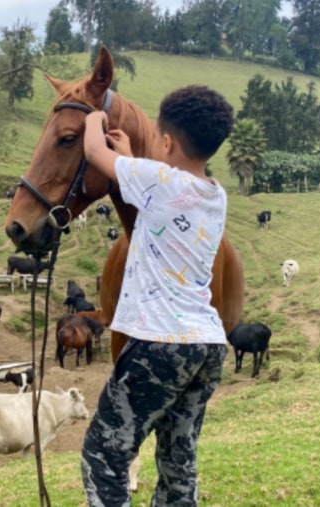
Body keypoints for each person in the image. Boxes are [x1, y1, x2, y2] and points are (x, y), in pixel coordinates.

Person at [79, 85, 235, 506]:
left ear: (166, 141)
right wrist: (130, 155)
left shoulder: (156, 180)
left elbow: (94, 151)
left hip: (159, 345)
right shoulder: (215, 195)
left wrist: (93, 116)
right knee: (178, 461)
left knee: (103, 455)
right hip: (207, 345)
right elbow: (164, 188)